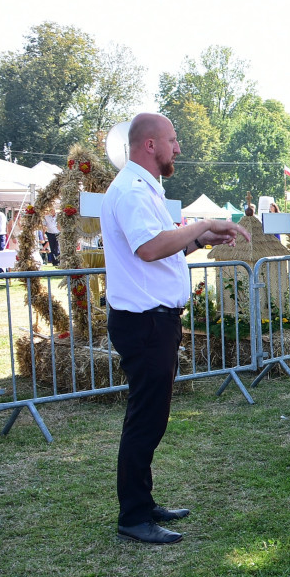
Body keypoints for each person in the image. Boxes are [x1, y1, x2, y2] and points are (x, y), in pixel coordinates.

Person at [101, 112, 250, 545]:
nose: (178, 148)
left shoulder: (143, 188)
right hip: (144, 322)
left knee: (151, 417)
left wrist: (201, 240)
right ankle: (133, 515)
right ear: (149, 145)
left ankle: (142, 503)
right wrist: (200, 225)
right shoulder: (130, 190)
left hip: (153, 320)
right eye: (172, 139)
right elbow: (149, 249)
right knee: (146, 419)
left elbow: (163, 247)